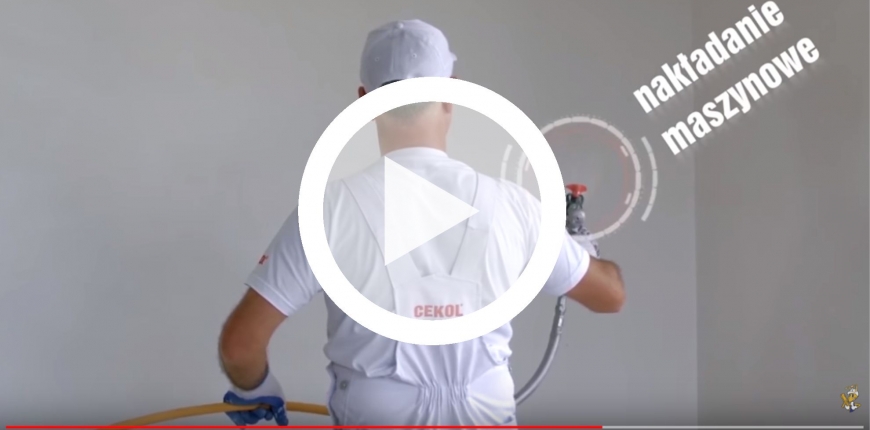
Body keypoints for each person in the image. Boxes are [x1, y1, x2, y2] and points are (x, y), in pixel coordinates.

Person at [217, 19, 625, 427]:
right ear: (451, 94)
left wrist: (257, 390)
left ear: (364, 102)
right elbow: (610, 296)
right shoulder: (515, 206)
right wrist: (579, 251)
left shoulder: (330, 210)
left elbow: (240, 347)